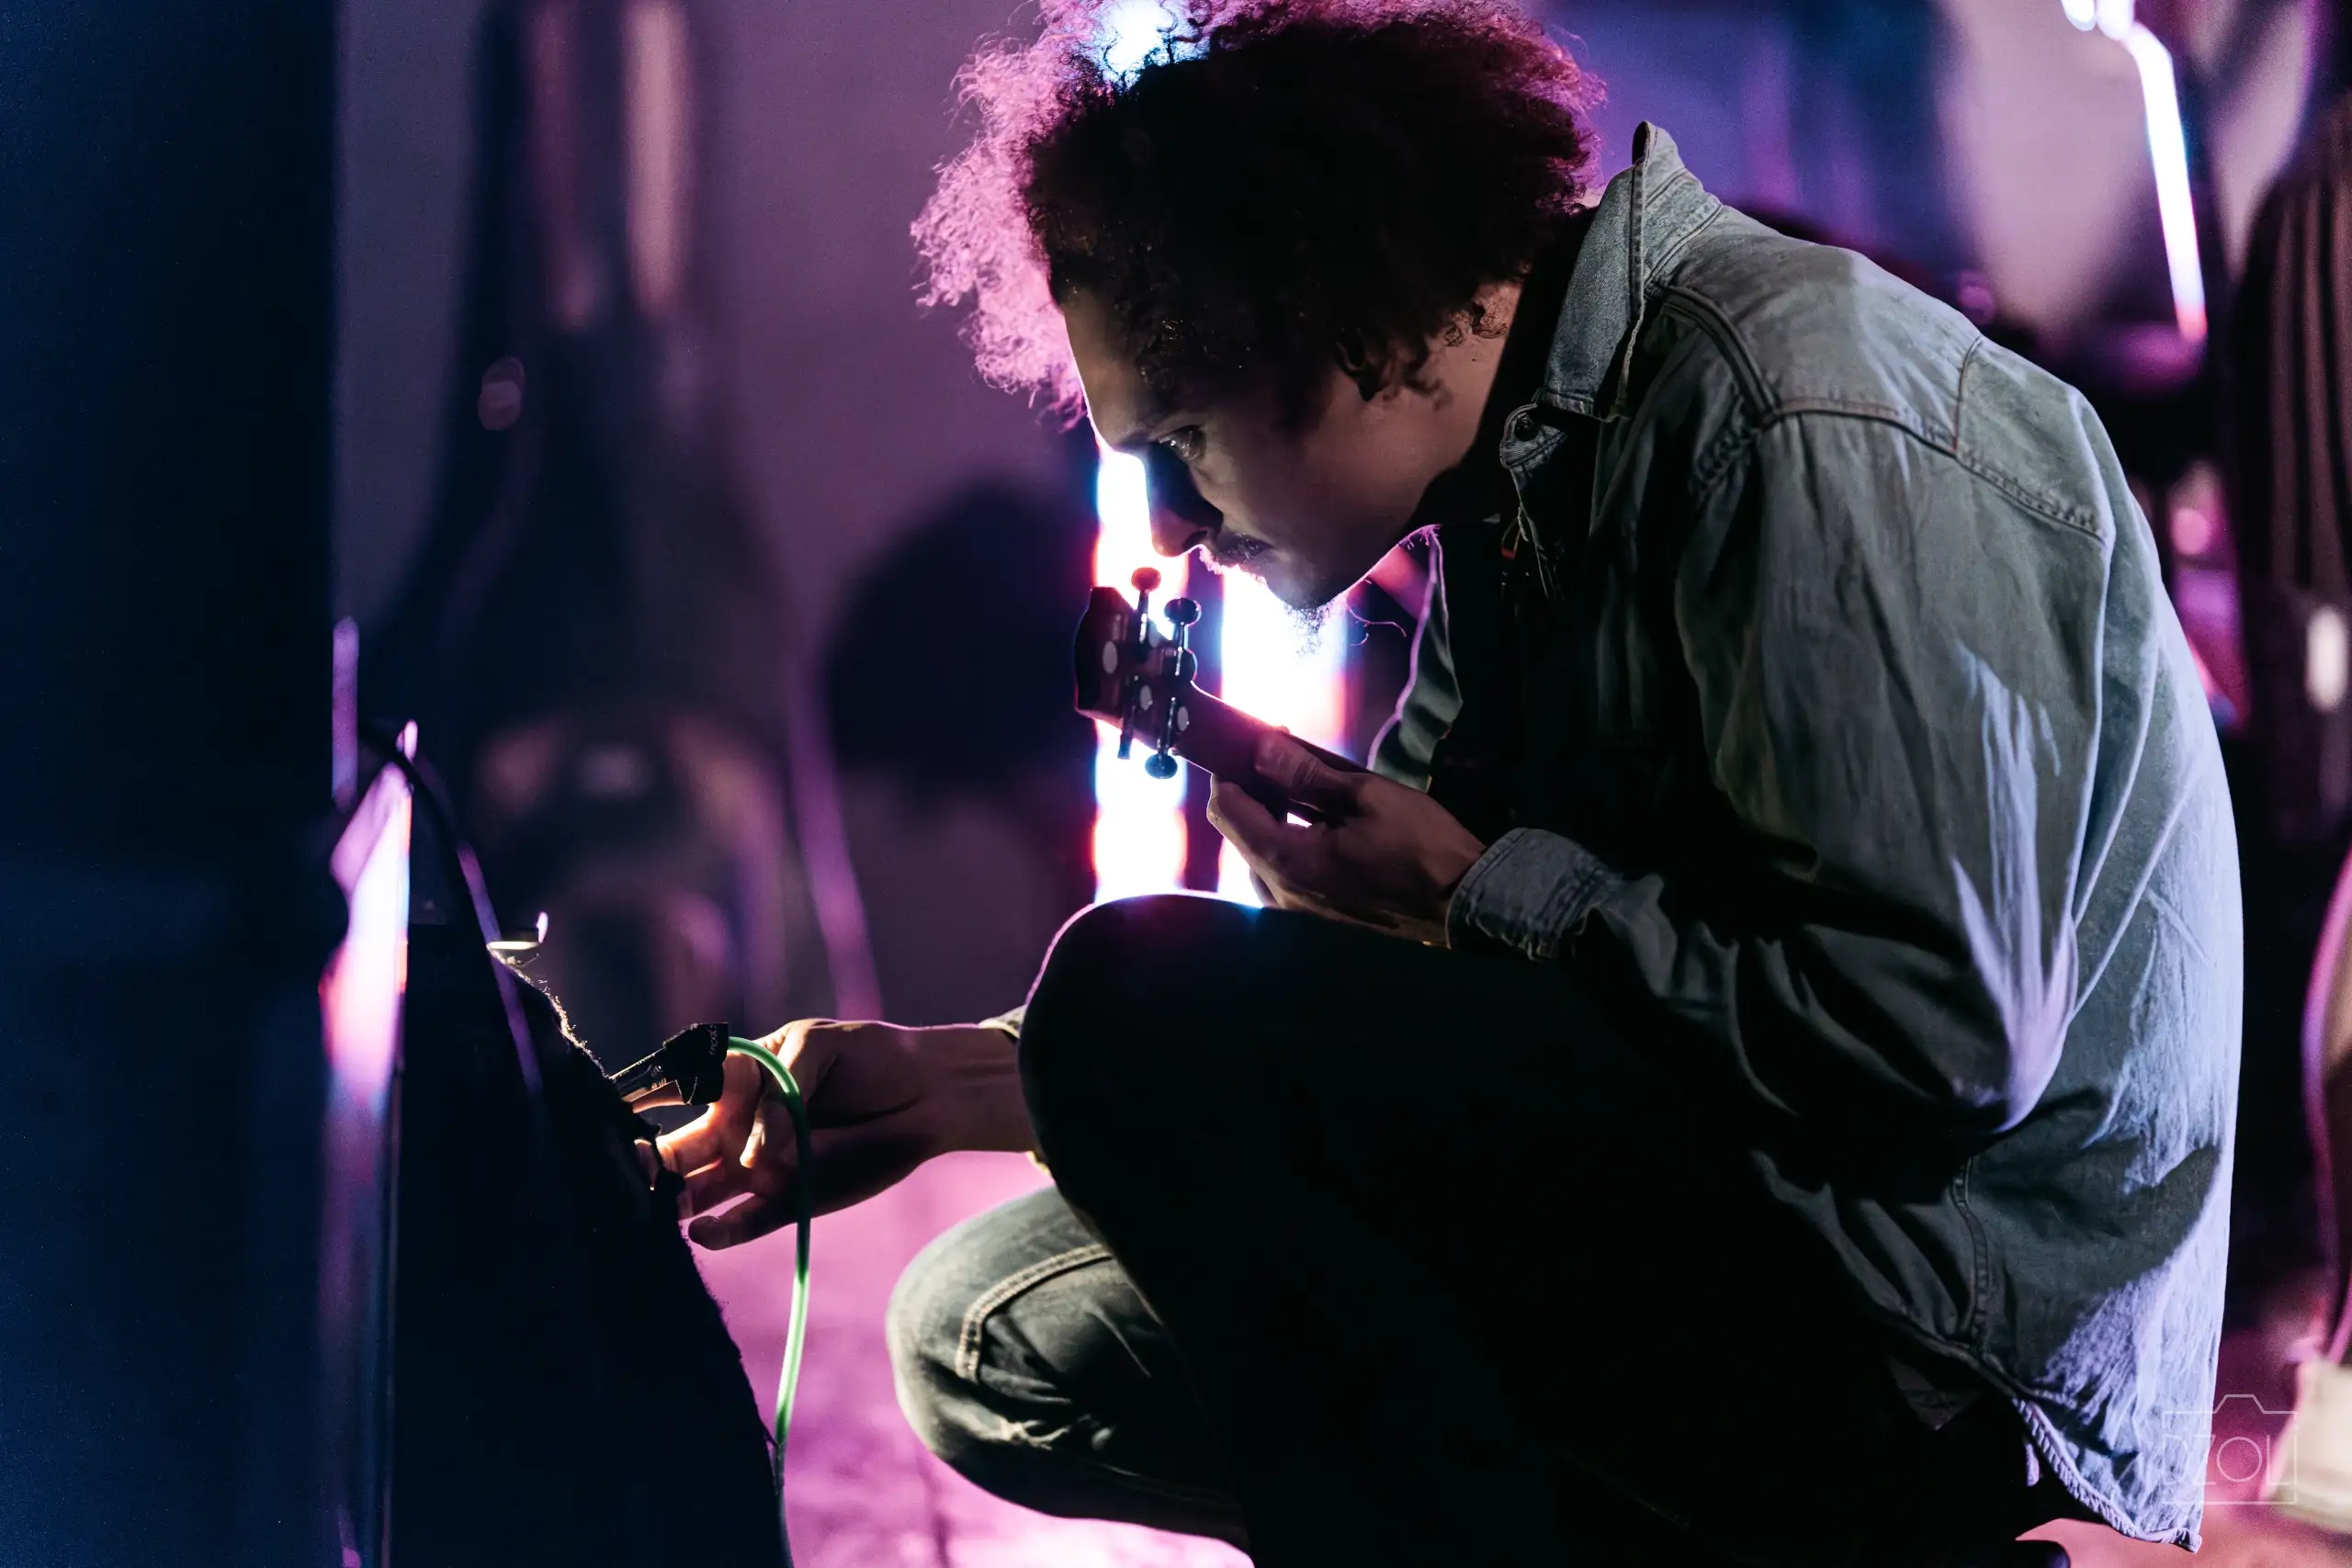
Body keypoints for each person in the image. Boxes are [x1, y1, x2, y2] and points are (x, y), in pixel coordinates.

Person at [655, 4, 2241, 1562]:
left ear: (1352, 325)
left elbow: (1934, 1043)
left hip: (1924, 1333)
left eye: (1187, 437)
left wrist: (1474, 891)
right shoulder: (1521, 486)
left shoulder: (1794, 404)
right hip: (1755, 1220)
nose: (1177, 524)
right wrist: (943, 1084)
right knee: (985, 1327)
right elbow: (1377, 1023)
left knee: (1129, 999)